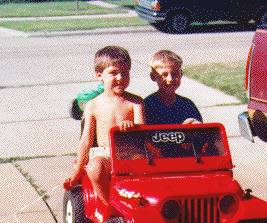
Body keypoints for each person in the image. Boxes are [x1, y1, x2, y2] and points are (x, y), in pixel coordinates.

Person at [63, 46, 145, 205]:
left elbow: (143, 131)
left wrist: (133, 126)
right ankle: (110, 205)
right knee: (95, 168)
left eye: (125, 73)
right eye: (113, 73)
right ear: (100, 75)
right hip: (105, 153)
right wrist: (78, 170)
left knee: (147, 169)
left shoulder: (135, 102)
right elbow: (86, 140)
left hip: (130, 152)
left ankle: (139, 204)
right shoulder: (93, 105)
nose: (120, 77)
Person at [144, 50, 203, 125]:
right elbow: (143, 133)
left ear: (181, 74)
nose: (170, 79)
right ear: (153, 76)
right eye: (164, 75)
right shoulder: (147, 105)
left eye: (175, 74)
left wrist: (193, 125)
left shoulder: (187, 106)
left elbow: (201, 132)